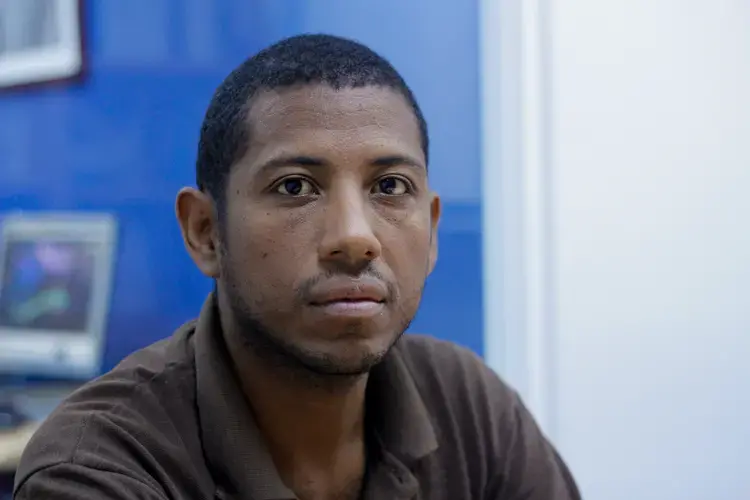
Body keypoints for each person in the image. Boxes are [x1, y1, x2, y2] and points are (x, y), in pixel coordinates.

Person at [13, 34, 581, 500]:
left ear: (431, 230)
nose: (355, 238)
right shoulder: (98, 467)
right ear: (206, 232)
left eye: (390, 186)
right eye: (295, 187)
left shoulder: (468, 406)